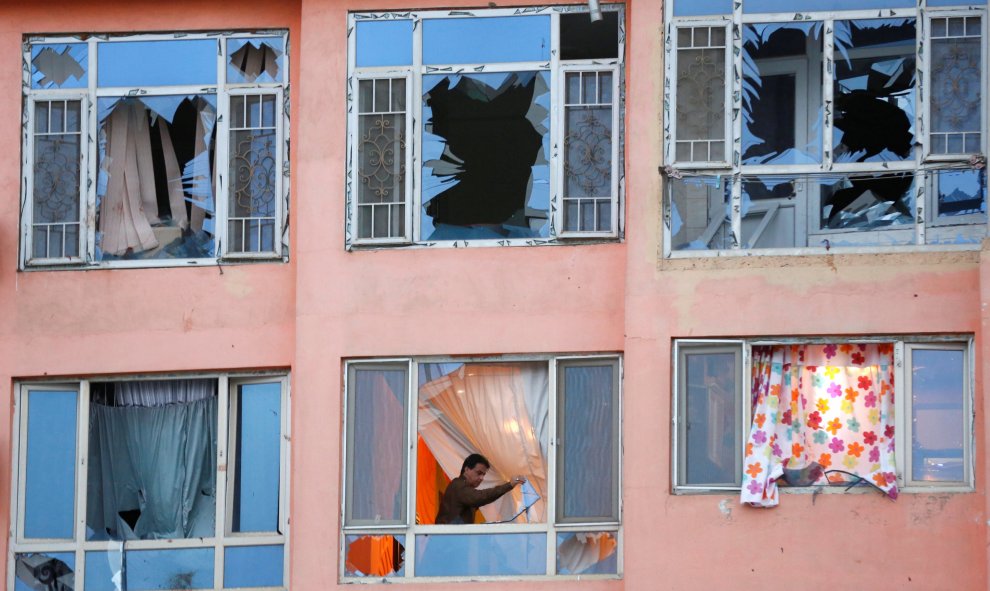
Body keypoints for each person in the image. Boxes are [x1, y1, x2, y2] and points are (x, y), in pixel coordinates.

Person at [435, 453, 526, 524]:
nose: (482, 478)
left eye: (483, 474)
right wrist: (509, 485)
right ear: (466, 469)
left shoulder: (461, 487)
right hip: (448, 542)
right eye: (479, 473)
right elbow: (481, 497)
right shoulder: (458, 485)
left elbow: (481, 498)